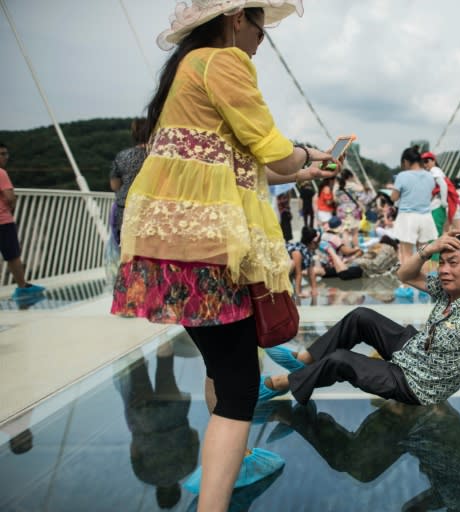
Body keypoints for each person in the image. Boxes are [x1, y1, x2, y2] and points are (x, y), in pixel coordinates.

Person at [109, 2, 339, 509]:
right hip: (208, 249)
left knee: (221, 366)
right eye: (261, 27)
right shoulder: (225, 61)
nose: (263, 38)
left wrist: (300, 170)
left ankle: (228, 469)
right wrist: (306, 154)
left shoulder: (188, 69)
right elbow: (274, 152)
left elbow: (234, 162)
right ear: (237, 19)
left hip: (168, 247)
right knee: (238, 391)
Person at [260, 233, 460, 447]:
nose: (444, 270)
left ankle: (286, 381)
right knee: (361, 317)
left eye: (453, 263)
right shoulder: (450, 291)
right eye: (441, 263)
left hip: (418, 383)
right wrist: (428, 249)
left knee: (341, 361)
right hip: (416, 349)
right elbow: (404, 275)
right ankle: (303, 361)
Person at [267, 399, 460, 510]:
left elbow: (411, 509)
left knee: (360, 467)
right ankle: (303, 420)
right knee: (352, 464)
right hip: (418, 421)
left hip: (418, 431)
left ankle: (318, 424)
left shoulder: (452, 500)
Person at [115, 342, 199, 510]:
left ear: (178, 490)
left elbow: (194, 435)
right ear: (157, 493)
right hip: (144, 419)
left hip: (173, 414)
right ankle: (136, 334)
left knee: (166, 371)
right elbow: (134, 450)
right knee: (138, 374)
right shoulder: (144, 476)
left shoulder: (188, 467)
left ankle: (163, 329)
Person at [0, 143, 46, 300]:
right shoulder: (1, 173)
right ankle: (22, 287)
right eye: (2, 154)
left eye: (6, 154)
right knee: (13, 255)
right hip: (3, 221)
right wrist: (12, 203)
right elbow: (9, 197)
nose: (5, 157)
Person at [391, 146, 438, 299]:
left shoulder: (402, 176)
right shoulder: (430, 176)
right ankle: (426, 288)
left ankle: (406, 287)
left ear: (405, 161)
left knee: (406, 254)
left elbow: (394, 197)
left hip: (407, 217)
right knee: (424, 253)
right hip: (425, 217)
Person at [109, 118, 149, 246]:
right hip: (148, 211)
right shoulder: (156, 157)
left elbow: (114, 185)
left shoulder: (122, 156)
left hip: (124, 209)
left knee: (124, 249)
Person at [316, 235, 399, 281]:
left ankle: (307, 271)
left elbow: (366, 254)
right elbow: (376, 265)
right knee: (344, 274)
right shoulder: (389, 250)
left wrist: (353, 259)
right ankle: (330, 251)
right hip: (362, 268)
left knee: (327, 272)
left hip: (359, 264)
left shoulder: (379, 246)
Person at [286, 226, 320, 298]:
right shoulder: (297, 251)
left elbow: (311, 273)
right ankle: (294, 292)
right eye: (318, 242)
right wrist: (298, 293)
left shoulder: (308, 252)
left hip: (288, 271)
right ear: (312, 242)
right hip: (281, 269)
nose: (319, 244)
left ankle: (293, 292)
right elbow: (298, 274)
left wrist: (314, 289)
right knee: (293, 265)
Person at [334, 169, 364, 249]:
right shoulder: (351, 185)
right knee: (354, 232)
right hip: (352, 211)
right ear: (349, 177)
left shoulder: (336, 186)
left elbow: (334, 199)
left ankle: (348, 250)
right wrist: (356, 179)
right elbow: (361, 188)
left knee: (345, 232)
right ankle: (356, 249)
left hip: (342, 211)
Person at [421, 151, 449, 236]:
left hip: (437, 205)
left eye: (427, 161)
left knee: (435, 232)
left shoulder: (434, 170)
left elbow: (443, 184)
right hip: (435, 205)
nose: (425, 164)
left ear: (433, 161)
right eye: (423, 162)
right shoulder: (433, 171)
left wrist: (444, 201)